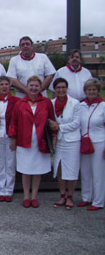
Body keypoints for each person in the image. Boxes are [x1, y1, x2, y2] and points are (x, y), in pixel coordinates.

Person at [9, 75, 56, 208]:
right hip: (25, 141)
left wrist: (53, 138)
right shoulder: (20, 103)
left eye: (36, 86)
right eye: (31, 85)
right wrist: (13, 138)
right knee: (26, 169)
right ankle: (25, 196)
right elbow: (14, 122)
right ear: (27, 87)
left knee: (37, 170)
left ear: (40, 87)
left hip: (40, 141)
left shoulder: (46, 102)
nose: (34, 88)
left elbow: (52, 121)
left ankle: (34, 196)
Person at [48, 78, 81, 210]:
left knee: (71, 168)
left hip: (72, 140)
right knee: (59, 167)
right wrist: (52, 124)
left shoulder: (75, 103)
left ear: (67, 88)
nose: (61, 90)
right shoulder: (51, 103)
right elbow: (49, 119)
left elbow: (77, 123)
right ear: (54, 89)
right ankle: (62, 194)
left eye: (63, 87)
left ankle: (70, 196)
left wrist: (59, 127)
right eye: (58, 87)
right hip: (58, 141)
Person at [78, 78, 105, 211]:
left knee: (98, 173)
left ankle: (98, 200)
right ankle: (86, 197)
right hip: (84, 142)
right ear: (85, 91)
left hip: (99, 142)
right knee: (85, 171)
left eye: (94, 89)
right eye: (89, 89)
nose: (91, 92)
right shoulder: (81, 105)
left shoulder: (103, 106)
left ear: (98, 91)